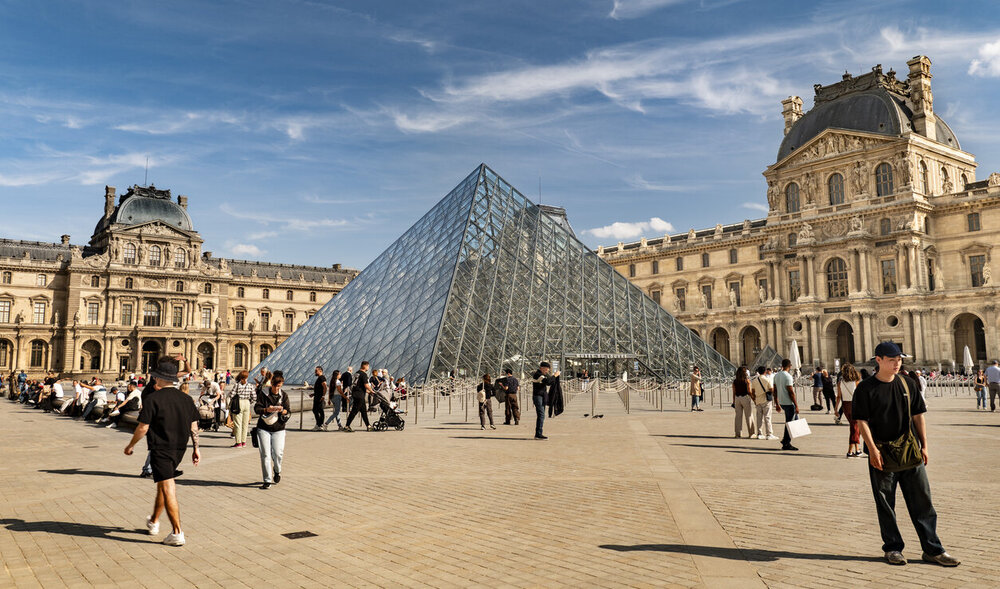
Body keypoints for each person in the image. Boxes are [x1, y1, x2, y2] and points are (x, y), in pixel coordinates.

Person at [853, 342, 960, 567]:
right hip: (882, 454)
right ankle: (893, 548)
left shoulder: (907, 383)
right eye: (892, 360)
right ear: (878, 360)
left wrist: (925, 445)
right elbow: (861, 421)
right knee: (886, 504)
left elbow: (918, 416)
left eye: (899, 360)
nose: (897, 364)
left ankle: (933, 549)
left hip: (910, 452)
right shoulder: (865, 388)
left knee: (923, 502)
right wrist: (872, 450)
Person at [123, 357, 201, 547]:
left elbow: (143, 427)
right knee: (163, 483)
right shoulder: (186, 399)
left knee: (168, 487)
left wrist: (131, 445)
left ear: (159, 378)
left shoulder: (153, 399)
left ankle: (177, 533)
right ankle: (154, 521)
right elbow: (194, 426)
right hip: (179, 449)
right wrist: (196, 448)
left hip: (161, 448)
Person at [255, 373, 290, 489]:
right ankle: (267, 480)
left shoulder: (284, 395)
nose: (277, 388)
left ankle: (277, 470)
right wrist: (266, 409)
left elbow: (288, 411)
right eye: (275, 386)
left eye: (279, 386)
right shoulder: (263, 394)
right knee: (265, 454)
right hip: (263, 427)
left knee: (278, 453)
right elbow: (257, 408)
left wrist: (283, 411)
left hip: (279, 428)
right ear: (272, 384)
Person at [773, 358, 799, 451]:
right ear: (789, 366)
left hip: (782, 402)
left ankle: (785, 440)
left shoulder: (776, 375)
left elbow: (775, 391)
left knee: (791, 420)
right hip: (789, 403)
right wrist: (796, 405)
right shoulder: (788, 376)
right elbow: (791, 392)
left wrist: (777, 403)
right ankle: (786, 443)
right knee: (790, 423)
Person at [837, 363, 863, 458]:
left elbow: (838, 396)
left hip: (845, 406)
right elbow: (860, 395)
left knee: (855, 427)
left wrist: (836, 409)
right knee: (854, 427)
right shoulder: (856, 382)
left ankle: (857, 449)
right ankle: (850, 451)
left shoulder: (840, 382)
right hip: (854, 405)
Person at [531, 362, 559, 440]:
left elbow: (550, 381)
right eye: (546, 369)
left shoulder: (543, 374)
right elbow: (548, 382)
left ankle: (538, 433)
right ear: (542, 368)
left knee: (541, 415)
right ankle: (538, 434)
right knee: (541, 415)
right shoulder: (538, 375)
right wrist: (554, 376)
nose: (547, 371)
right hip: (538, 396)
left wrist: (554, 377)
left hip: (542, 396)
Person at [343, 362, 372, 432]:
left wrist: (366, 391)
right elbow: (366, 385)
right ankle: (347, 426)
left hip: (356, 393)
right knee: (354, 411)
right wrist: (371, 390)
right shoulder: (364, 374)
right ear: (365, 366)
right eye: (368, 366)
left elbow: (357, 384)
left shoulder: (356, 373)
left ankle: (368, 425)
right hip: (360, 395)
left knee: (363, 411)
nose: (368, 368)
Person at [230, 370, 255, 447]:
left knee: (238, 424)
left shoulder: (237, 385)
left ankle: (238, 443)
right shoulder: (250, 386)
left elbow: (231, 395)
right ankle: (244, 442)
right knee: (245, 424)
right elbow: (254, 397)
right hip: (247, 403)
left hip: (239, 403)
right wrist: (249, 402)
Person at [750, 366, 776, 440]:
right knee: (767, 417)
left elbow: (753, 391)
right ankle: (769, 434)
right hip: (766, 400)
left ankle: (759, 433)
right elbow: (771, 389)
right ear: (765, 372)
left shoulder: (755, 380)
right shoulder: (767, 379)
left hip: (758, 400)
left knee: (759, 418)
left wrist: (755, 399)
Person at [732, 366, 754, 438]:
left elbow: (734, 392)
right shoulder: (746, 381)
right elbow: (749, 391)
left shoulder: (735, 381)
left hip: (737, 398)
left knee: (738, 417)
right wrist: (753, 399)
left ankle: (738, 434)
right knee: (749, 416)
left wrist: (734, 401)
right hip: (745, 397)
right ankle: (751, 433)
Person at [310, 366, 328, 431]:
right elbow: (319, 389)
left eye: (316, 371)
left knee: (319, 410)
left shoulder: (322, 378)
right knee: (316, 410)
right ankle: (319, 424)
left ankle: (320, 425)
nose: (315, 372)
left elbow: (325, 387)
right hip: (317, 396)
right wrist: (313, 394)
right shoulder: (319, 378)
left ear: (320, 371)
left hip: (319, 397)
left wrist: (323, 396)